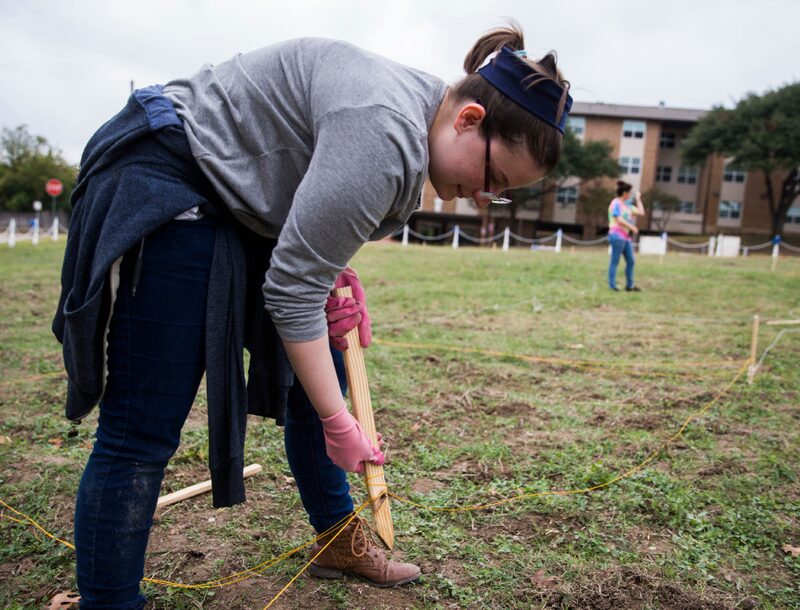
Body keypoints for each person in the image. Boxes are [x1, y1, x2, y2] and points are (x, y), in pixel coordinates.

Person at [52, 22, 572, 609]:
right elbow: (292, 291)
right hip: (174, 172)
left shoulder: (420, 120)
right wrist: (339, 420)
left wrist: (333, 272)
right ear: (470, 120)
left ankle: (336, 542)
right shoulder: (387, 133)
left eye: (500, 194)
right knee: (143, 426)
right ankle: (110, 603)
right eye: (494, 179)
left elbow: (311, 224)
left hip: (237, 200)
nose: (484, 198)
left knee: (316, 366)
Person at [607, 181, 645, 292]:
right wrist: (632, 227)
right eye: (629, 192)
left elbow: (641, 212)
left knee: (631, 261)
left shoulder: (627, 205)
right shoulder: (616, 203)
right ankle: (612, 285)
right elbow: (618, 218)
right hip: (616, 235)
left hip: (626, 237)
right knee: (615, 261)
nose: (630, 194)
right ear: (624, 193)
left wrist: (638, 199)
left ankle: (630, 285)